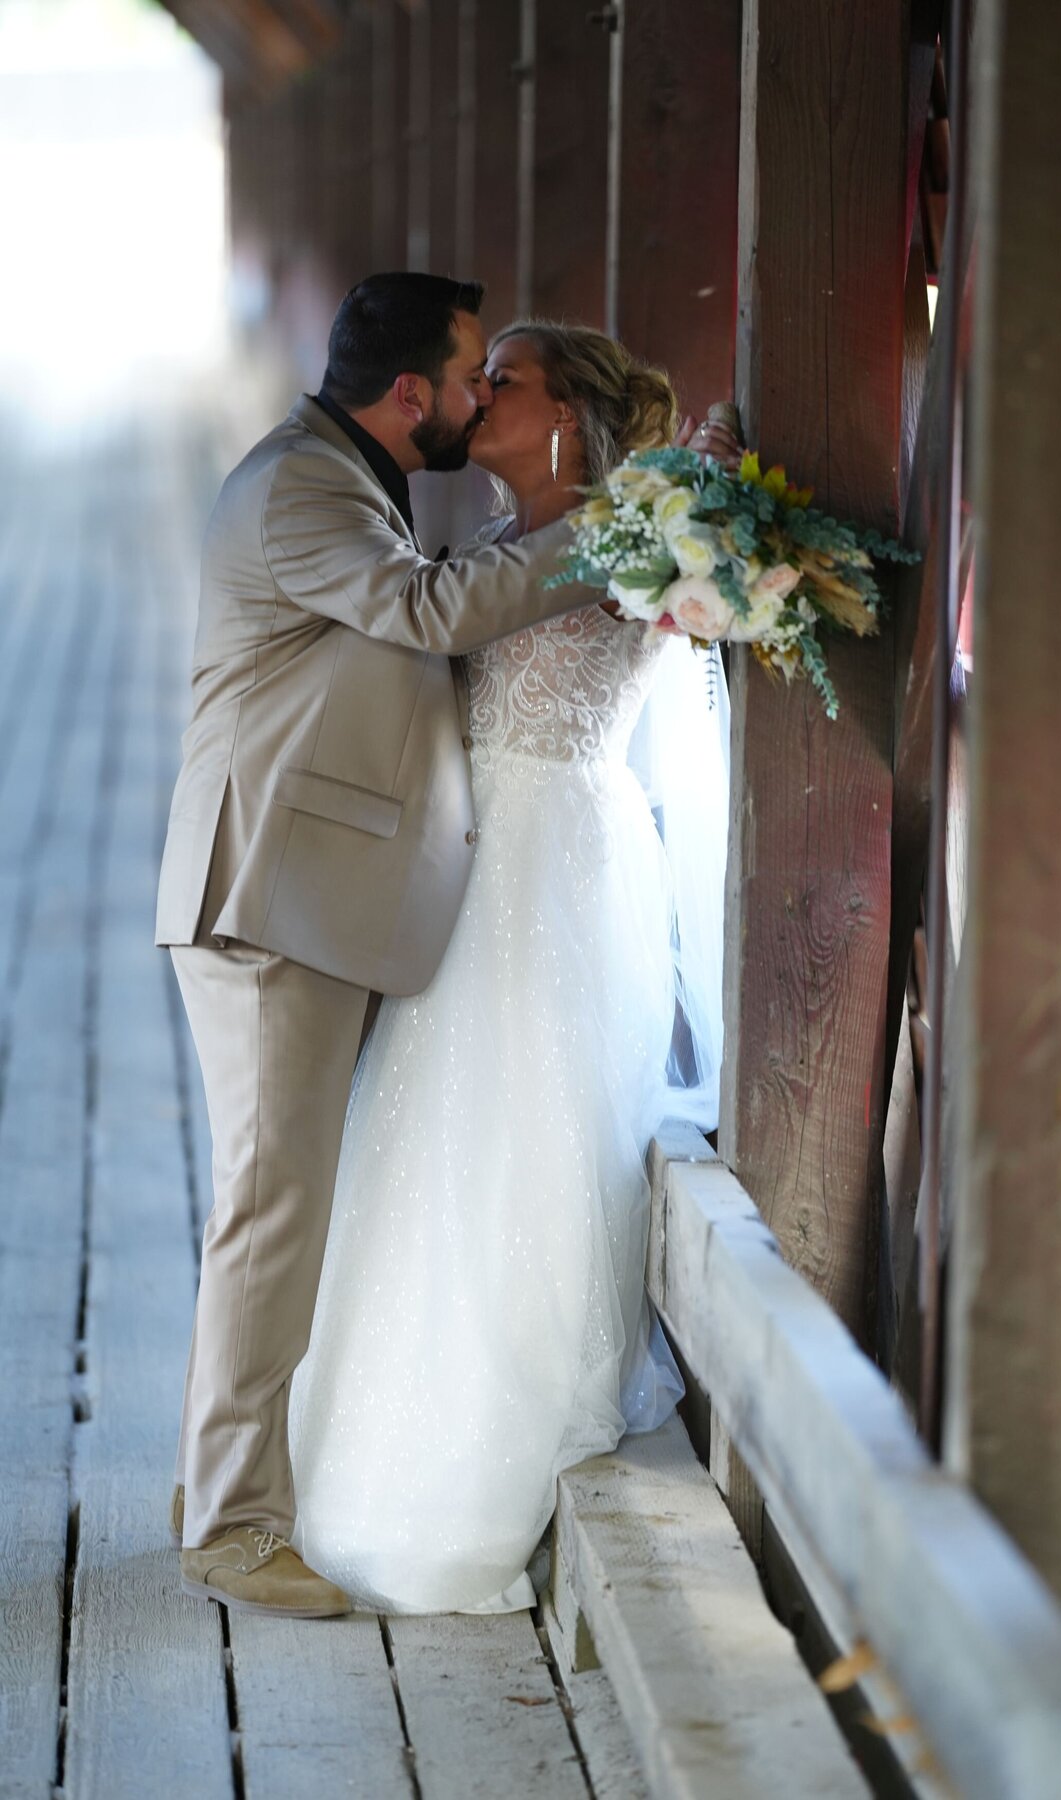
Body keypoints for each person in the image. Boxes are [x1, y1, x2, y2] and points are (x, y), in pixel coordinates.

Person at [158, 274, 609, 1619]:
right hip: (269, 902)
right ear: (410, 393)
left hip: (315, 891)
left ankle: (216, 1480)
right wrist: (608, 533)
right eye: (472, 377)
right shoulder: (303, 486)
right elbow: (424, 614)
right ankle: (233, 1529)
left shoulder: (349, 475)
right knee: (274, 1207)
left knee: (282, 1204)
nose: (480, 399)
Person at [285, 321, 733, 1613]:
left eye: (507, 378)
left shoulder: (632, 540)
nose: (480, 394)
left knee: (520, 1132)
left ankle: (490, 1449)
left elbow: (695, 611)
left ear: (569, 417)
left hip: (558, 864)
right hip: (466, 868)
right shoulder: (485, 545)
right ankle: (370, 1453)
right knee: (427, 1135)